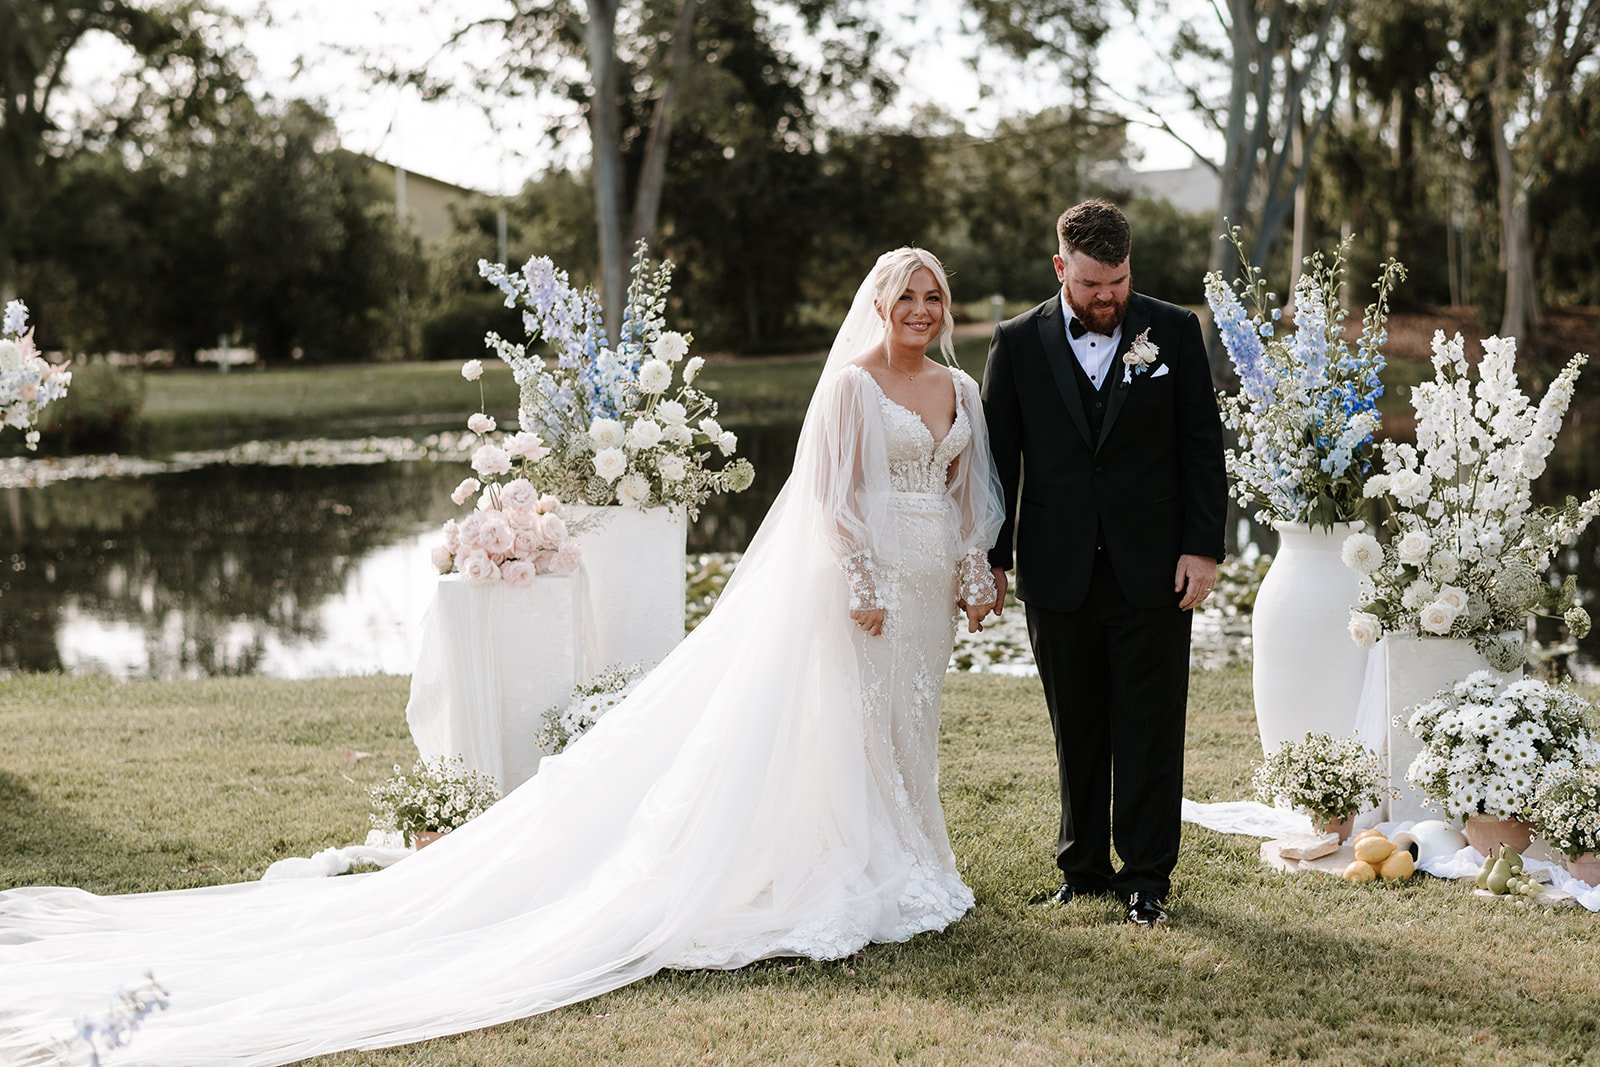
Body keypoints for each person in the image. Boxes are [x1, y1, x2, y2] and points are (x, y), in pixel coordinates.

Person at [0, 248, 1002, 1066]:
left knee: (909, 717)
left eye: (932, 296)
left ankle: (914, 854)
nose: (919, 307)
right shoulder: (850, 386)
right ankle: (852, 861)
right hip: (857, 582)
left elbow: (967, 495)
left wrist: (973, 570)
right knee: (844, 712)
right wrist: (862, 580)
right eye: (903, 294)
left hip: (926, 585)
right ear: (875, 302)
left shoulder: (958, 385)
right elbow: (824, 499)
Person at [981, 200, 1226, 927]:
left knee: (1150, 725)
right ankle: (1081, 868)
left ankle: (1147, 875)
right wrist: (991, 560)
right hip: (1056, 567)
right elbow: (999, 464)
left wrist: (1203, 547)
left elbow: (1200, 449)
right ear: (1061, 268)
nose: (1107, 297)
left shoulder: (1174, 330)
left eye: (1117, 281)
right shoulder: (1016, 342)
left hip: (1153, 566)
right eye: (1091, 284)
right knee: (1076, 724)